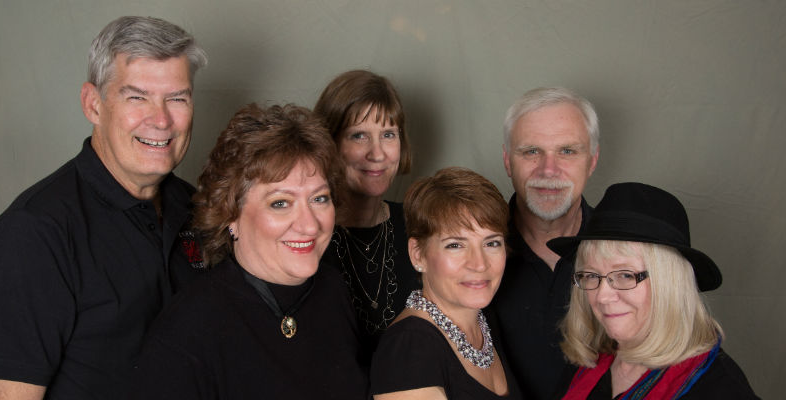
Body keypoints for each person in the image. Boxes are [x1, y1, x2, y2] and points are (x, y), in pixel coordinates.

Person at [0, 16, 207, 399]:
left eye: (177, 98)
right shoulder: (34, 233)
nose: (161, 120)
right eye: (137, 97)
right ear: (93, 105)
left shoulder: (200, 210)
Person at [133, 103, 369, 399]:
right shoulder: (187, 333)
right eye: (280, 203)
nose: (310, 225)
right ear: (230, 215)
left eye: (319, 199)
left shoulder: (333, 290)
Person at [547, 182, 759, 399]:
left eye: (625, 275)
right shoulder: (586, 365)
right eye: (592, 275)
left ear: (669, 284)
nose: (602, 296)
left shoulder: (720, 390)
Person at [371, 167, 523, 399]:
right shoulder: (408, 349)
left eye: (491, 243)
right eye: (455, 245)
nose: (479, 264)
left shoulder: (485, 321)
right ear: (418, 254)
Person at [490, 87, 600, 399]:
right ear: (508, 161)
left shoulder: (626, 257)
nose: (548, 170)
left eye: (567, 151)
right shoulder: (471, 256)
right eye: (531, 152)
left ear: (592, 161)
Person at [315, 69, 420, 353]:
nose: (377, 153)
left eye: (388, 134)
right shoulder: (303, 234)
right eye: (359, 135)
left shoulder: (420, 225)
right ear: (329, 144)